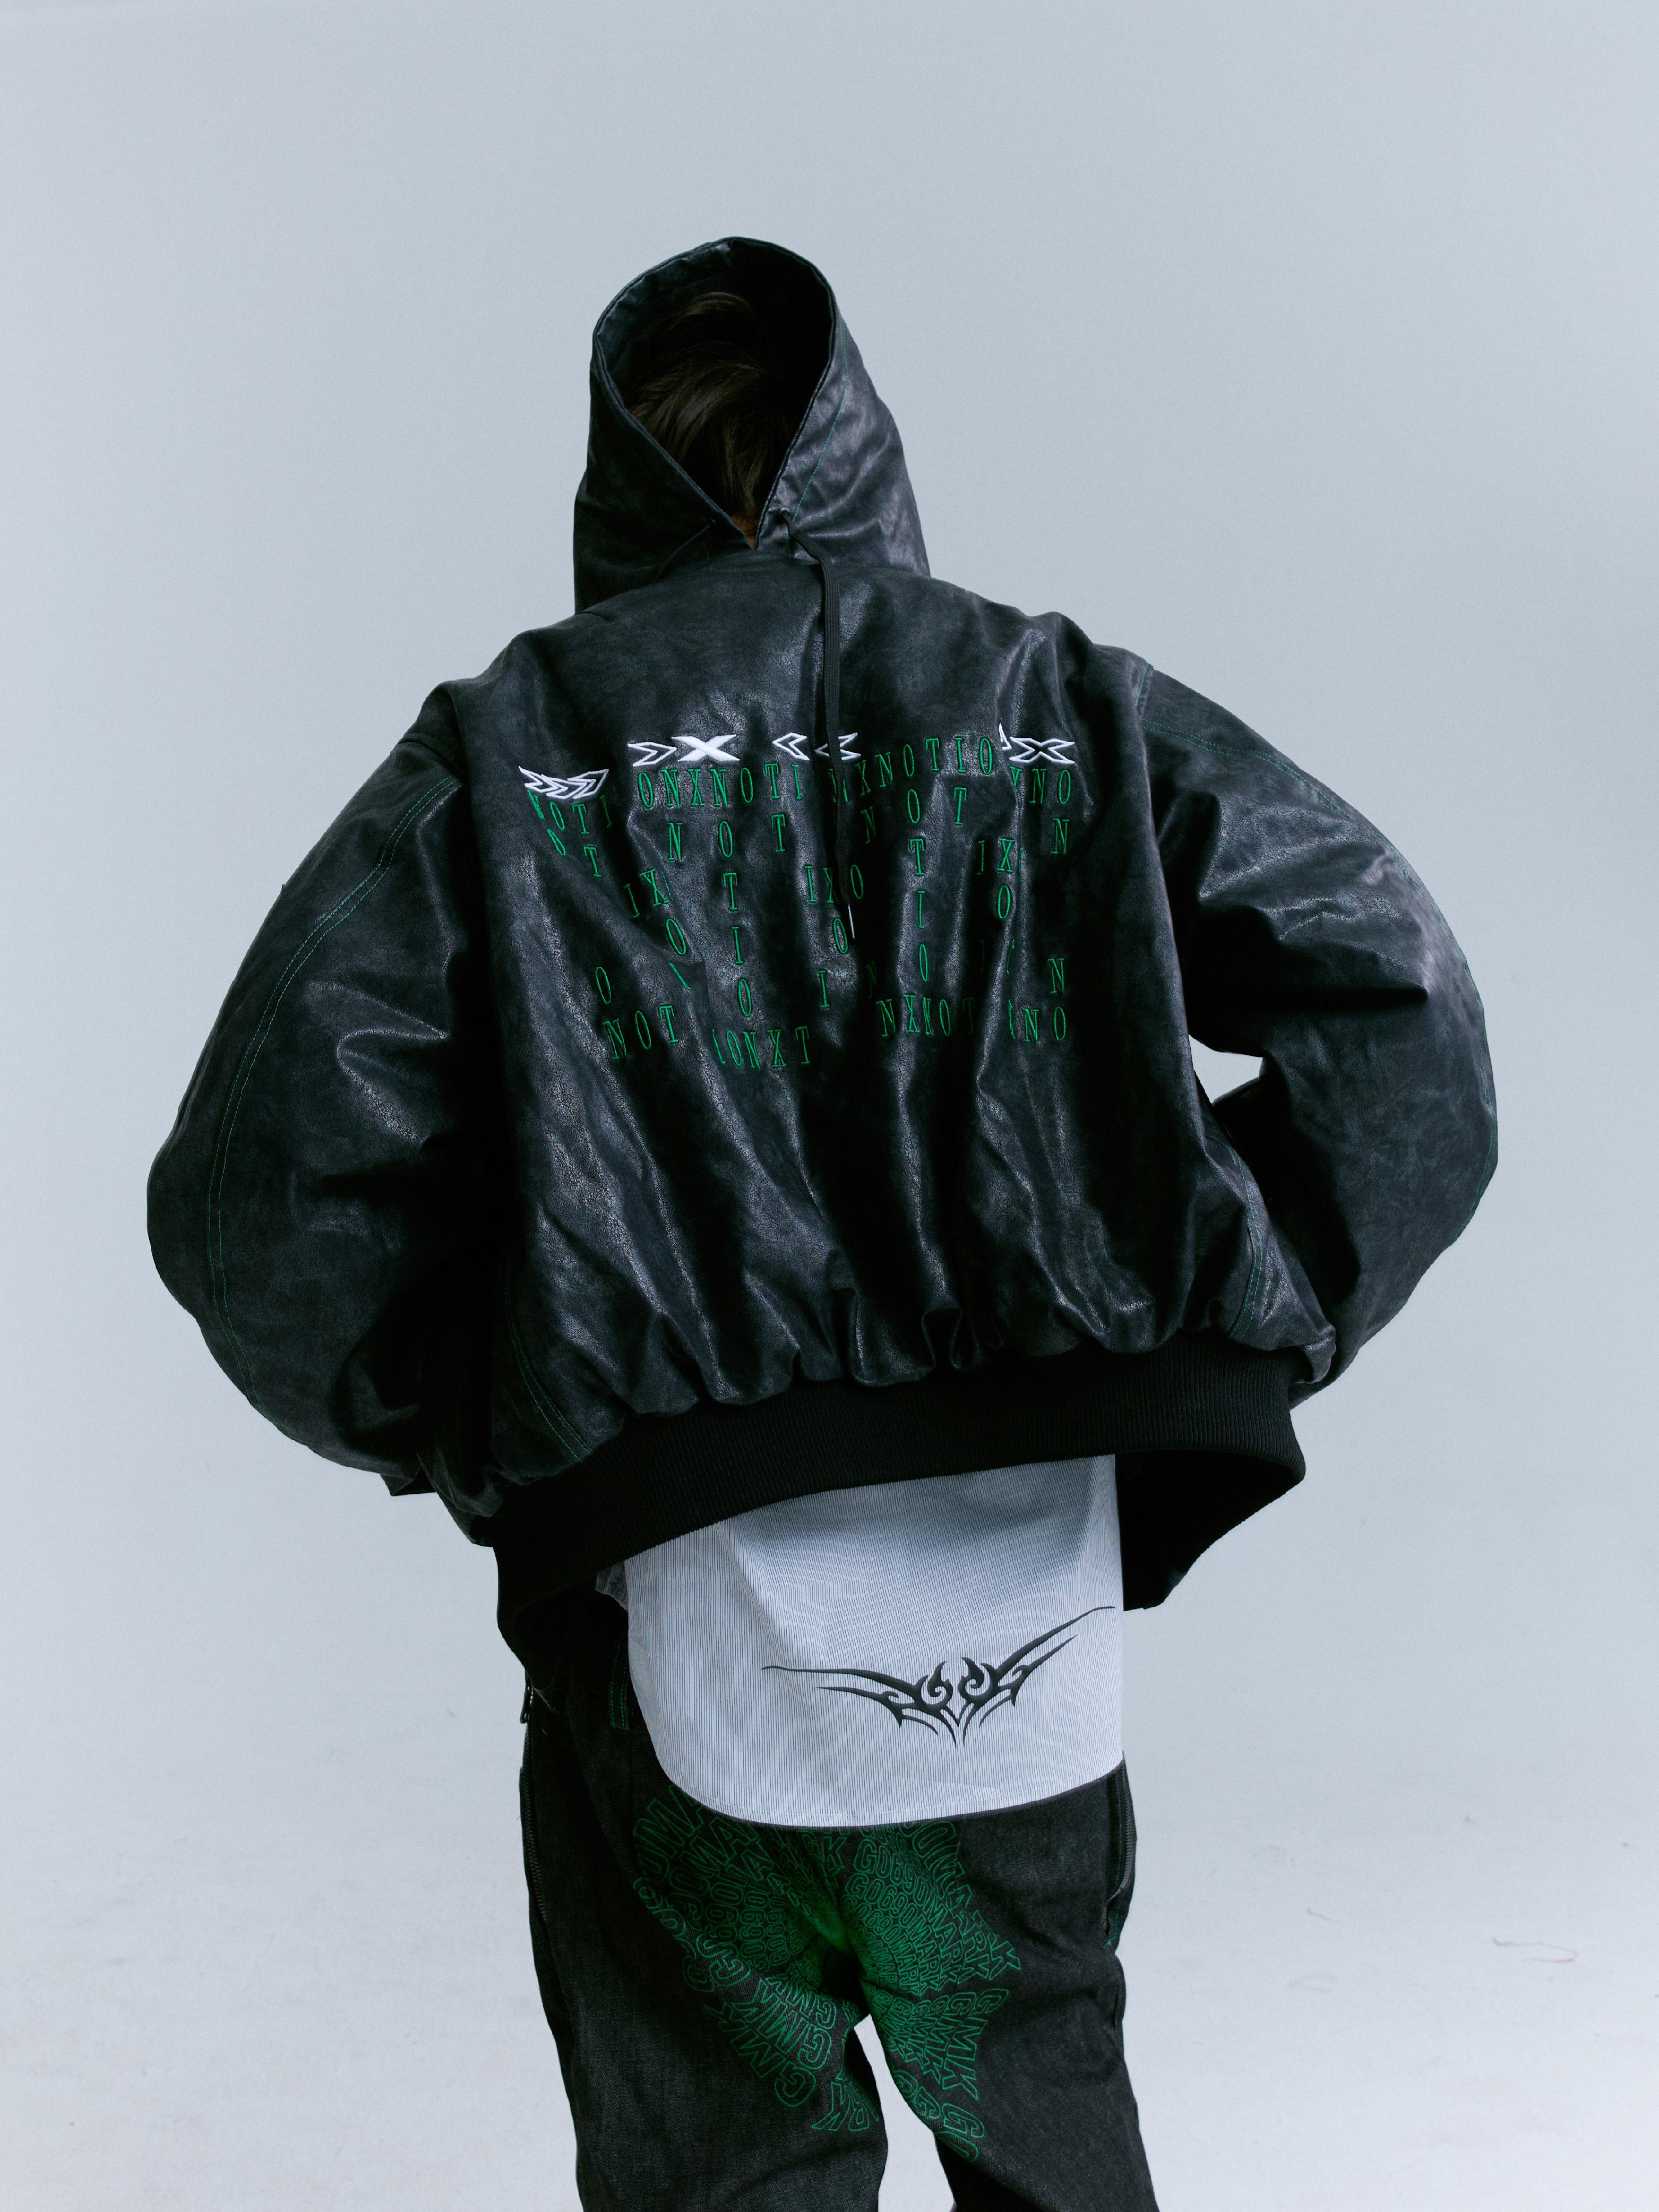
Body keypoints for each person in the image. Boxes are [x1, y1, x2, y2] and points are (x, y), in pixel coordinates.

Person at [148, 237, 1497, 2211]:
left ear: (614, 487)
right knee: (1046, 2126)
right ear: (871, 450)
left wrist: (494, 1405)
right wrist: (1214, 1302)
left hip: (671, 1630)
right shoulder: (1057, 700)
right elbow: (1402, 1010)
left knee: (731, 2157)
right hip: (1024, 1636)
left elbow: (257, 1197)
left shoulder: (510, 751)